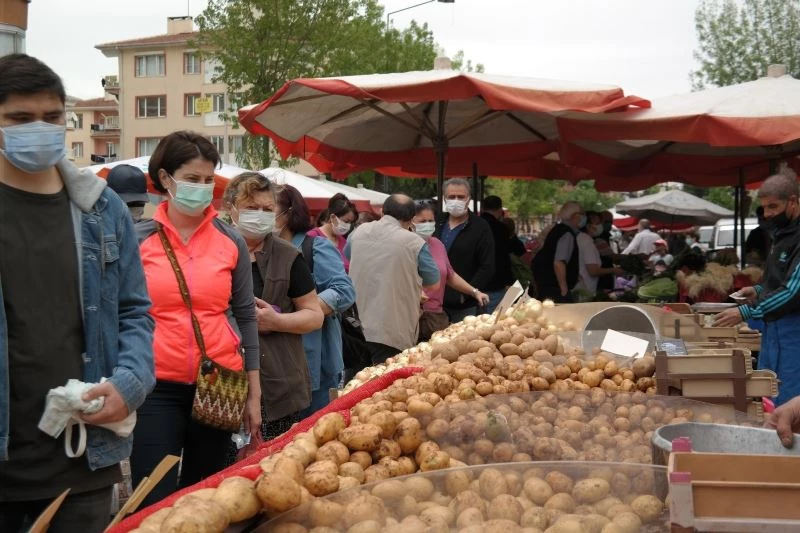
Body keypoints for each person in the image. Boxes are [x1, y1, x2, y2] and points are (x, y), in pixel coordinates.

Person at [0, 54, 155, 532]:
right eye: (19, 119)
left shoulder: (101, 207)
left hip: (85, 457)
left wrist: (130, 384)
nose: (39, 129)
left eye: (51, 117)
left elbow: (135, 312)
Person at [131, 132, 260, 506]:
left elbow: (246, 316)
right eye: (192, 179)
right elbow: (123, 313)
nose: (202, 188)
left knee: (207, 497)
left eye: (208, 180)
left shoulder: (230, 240)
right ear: (166, 179)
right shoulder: (139, 239)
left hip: (221, 381)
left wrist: (255, 391)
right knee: (151, 499)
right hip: (155, 385)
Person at [223, 173, 324, 440]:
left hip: (279, 383)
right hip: (221, 380)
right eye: (251, 208)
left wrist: (276, 321)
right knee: (223, 468)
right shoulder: (214, 248)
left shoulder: (288, 255)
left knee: (272, 464)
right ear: (230, 208)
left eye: (267, 209)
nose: (260, 214)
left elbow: (314, 316)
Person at [714, 174, 800, 405]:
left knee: (790, 403)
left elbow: (793, 291)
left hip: (794, 336)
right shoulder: (782, 235)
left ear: (793, 201)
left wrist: (746, 312)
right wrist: (758, 289)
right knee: (768, 396)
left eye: (774, 206)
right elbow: (778, 280)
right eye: (764, 208)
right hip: (774, 333)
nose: (769, 214)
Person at [274, 184, 355, 415]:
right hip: (276, 365)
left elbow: (344, 290)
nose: (261, 215)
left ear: (288, 212)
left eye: (269, 208)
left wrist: (304, 310)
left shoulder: (314, 246)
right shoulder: (262, 250)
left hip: (314, 363)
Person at [347, 194, 440, 363]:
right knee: (385, 383)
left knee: (355, 384)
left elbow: (349, 256)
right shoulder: (414, 243)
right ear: (411, 219)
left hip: (356, 327)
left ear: (382, 212)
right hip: (392, 330)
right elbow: (433, 283)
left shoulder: (358, 232)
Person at [413, 201, 489, 341]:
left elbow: (449, 275)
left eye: (431, 221)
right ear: (411, 223)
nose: (427, 224)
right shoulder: (404, 246)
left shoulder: (437, 244)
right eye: (422, 221)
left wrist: (474, 292)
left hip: (435, 316)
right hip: (412, 318)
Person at [434, 178, 494, 322]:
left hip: (464, 305)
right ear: (444, 198)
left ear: (468, 199)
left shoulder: (480, 227)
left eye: (460, 197)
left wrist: (466, 294)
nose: (456, 200)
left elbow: (487, 266)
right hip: (434, 303)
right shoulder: (436, 222)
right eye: (451, 197)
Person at [531, 201, 584, 303]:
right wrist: (563, 289)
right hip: (555, 289)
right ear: (575, 216)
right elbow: (559, 262)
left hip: (546, 286)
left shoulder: (556, 230)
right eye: (582, 214)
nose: (583, 218)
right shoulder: (566, 233)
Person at [574, 212, 622, 302]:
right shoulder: (587, 242)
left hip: (581, 288)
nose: (600, 226)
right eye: (597, 223)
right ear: (588, 226)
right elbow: (593, 270)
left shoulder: (580, 238)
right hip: (586, 290)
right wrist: (614, 270)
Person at [481, 195, 515, 312]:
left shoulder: (473, 226)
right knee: (492, 320)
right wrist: (509, 281)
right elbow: (503, 258)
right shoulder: (501, 229)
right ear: (500, 210)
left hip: (473, 285)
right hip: (495, 283)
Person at [309, 193, 358, 272]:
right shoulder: (312, 237)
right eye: (346, 221)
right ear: (333, 217)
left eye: (350, 223)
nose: (348, 226)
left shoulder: (343, 241)